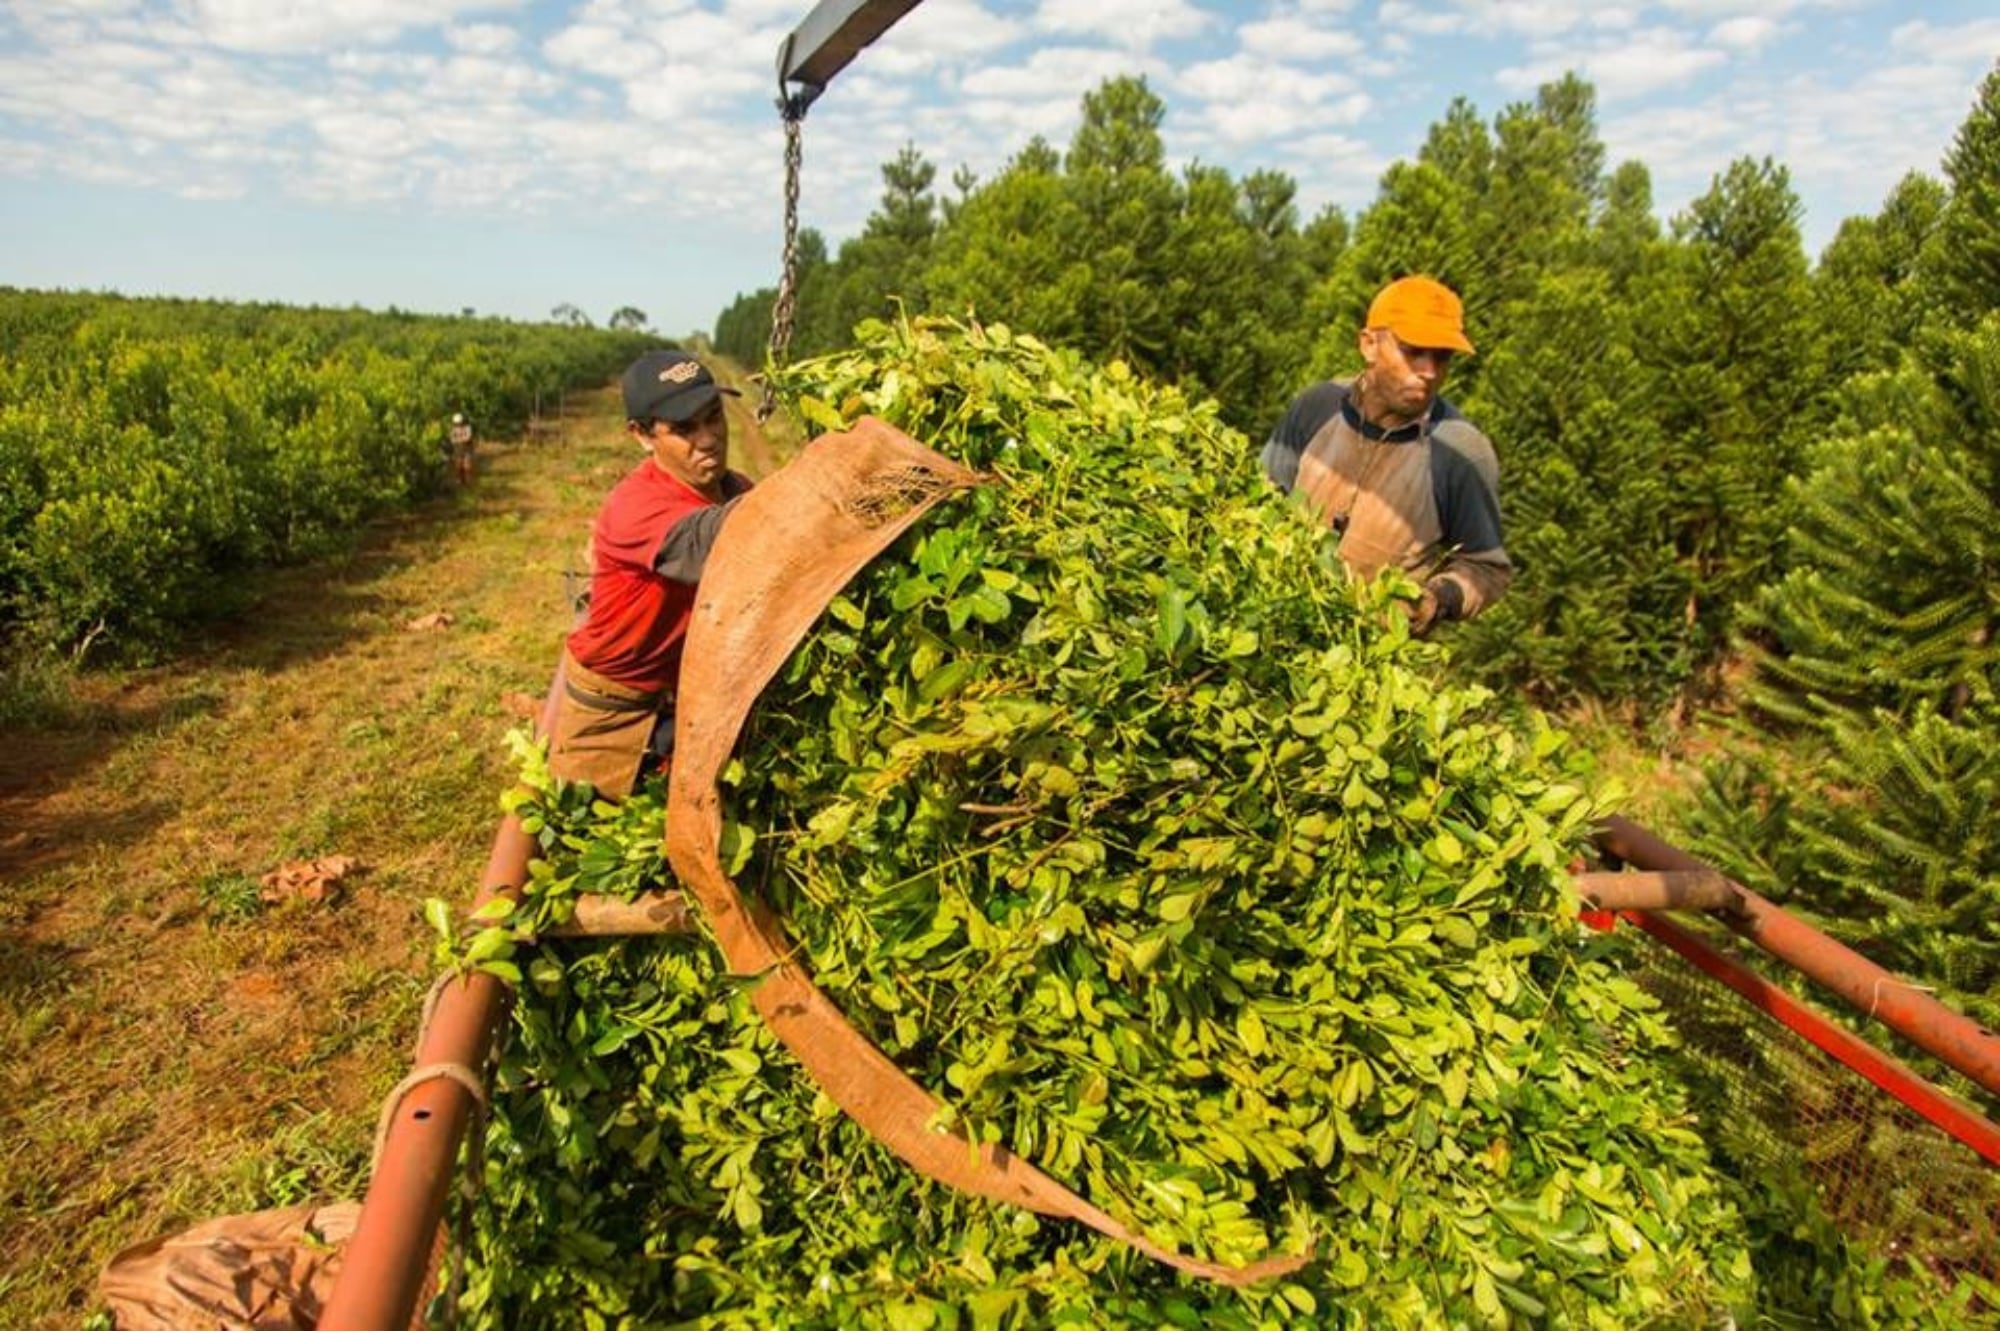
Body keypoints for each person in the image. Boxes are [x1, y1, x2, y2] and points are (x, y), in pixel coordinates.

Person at [546, 350, 749, 796]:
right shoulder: (637, 507)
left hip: (680, 700)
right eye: (684, 429)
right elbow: (724, 541)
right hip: (614, 713)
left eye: (714, 417)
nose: (709, 438)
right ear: (640, 436)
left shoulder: (734, 490)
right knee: (590, 839)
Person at [1261, 275, 1512, 635]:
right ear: (1369, 345)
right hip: (1274, 632)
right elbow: (1258, 501)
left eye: (1441, 357)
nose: (1428, 372)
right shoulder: (1316, 407)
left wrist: (1439, 598)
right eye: (1413, 351)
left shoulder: (1461, 452)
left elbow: (1488, 568)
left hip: (1367, 661)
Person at [448, 412, 476, 486]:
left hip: (467, 448)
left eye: (459, 423)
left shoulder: (467, 427)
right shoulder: (453, 429)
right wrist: (460, 440)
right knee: (458, 465)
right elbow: (452, 439)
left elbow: (468, 437)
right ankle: (459, 480)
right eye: (457, 423)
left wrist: (458, 440)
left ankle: (468, 481)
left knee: (467, 466)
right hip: (458, 449)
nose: (458, 425)